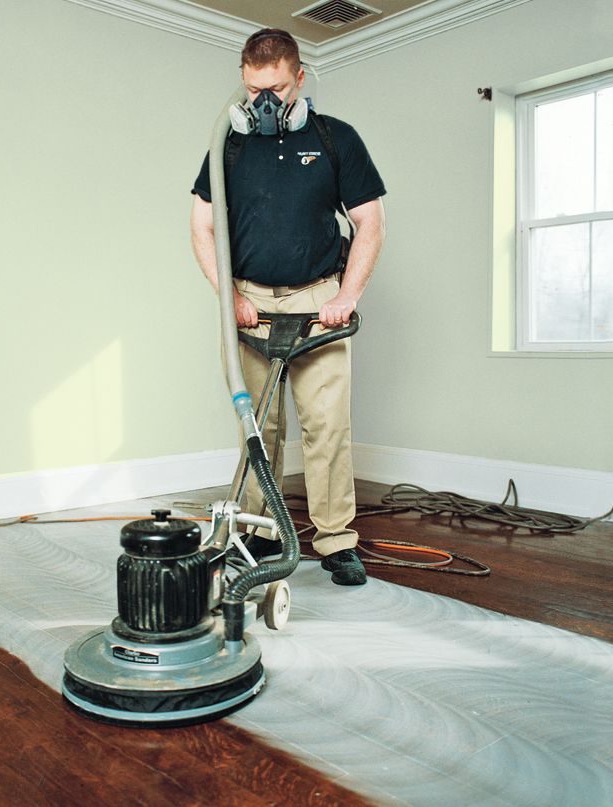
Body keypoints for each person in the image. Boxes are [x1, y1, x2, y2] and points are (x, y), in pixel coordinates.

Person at [189, 28, 386, 586]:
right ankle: (258, 529)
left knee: (327, 426)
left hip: (319, 300)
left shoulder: (335, 137)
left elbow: (370, 222)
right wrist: (226, 294)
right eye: (254, 91)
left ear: (300, 78)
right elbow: (202, 224)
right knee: (259, 426)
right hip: (249, 302)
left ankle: (336, 540)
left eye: (276, 88)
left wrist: (347, 296)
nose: (265, 103)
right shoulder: (227, 144)